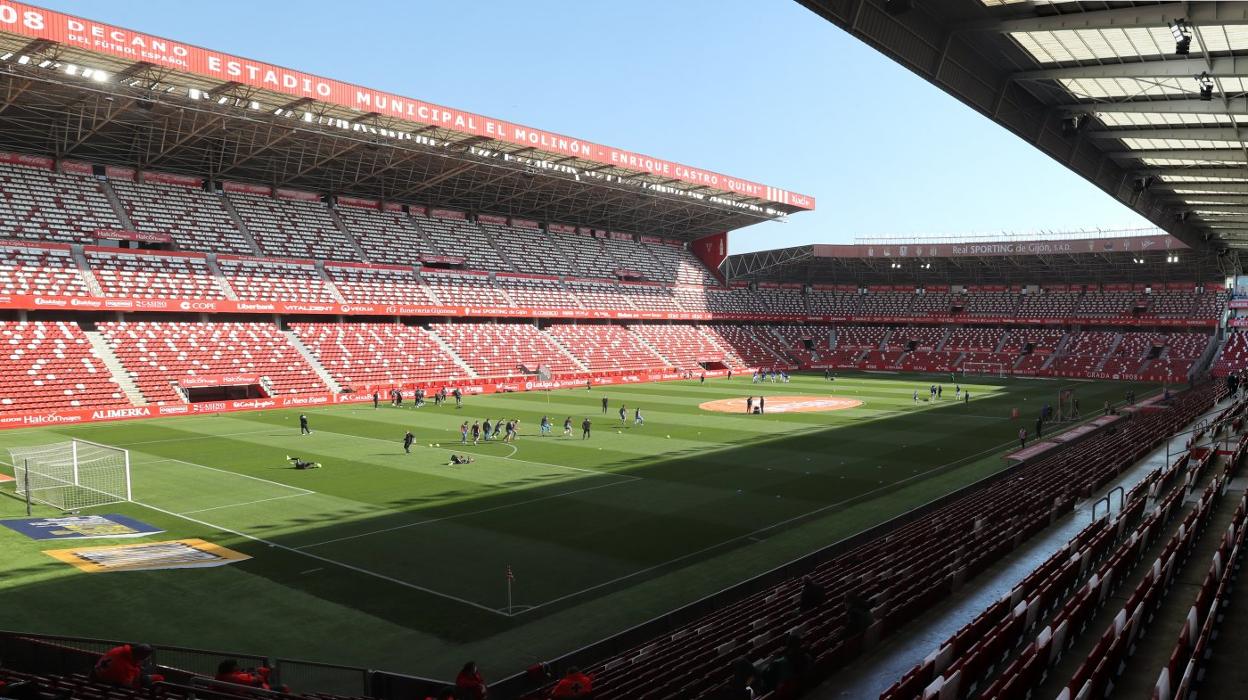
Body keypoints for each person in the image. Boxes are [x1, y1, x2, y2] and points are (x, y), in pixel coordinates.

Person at [92, 643, 164, 689]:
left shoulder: (118, 649)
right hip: (110, 685)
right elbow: (130, 686)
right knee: (159, 678)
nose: (146, 659)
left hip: (95, 677)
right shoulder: (127, 668)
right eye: (145, 657)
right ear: (140, 656)